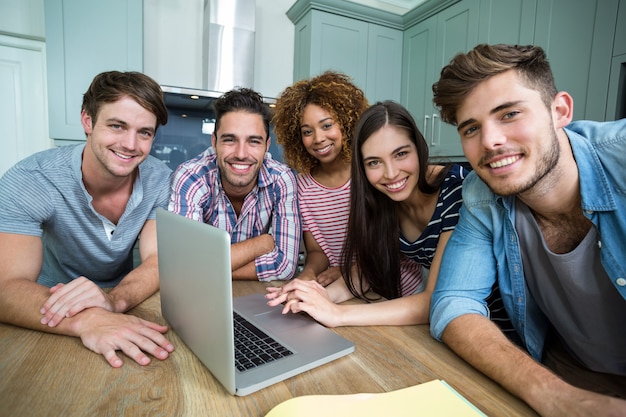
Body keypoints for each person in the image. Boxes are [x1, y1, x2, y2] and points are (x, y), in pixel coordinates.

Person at [430, 43, 626, 416]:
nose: (490, 141)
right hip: (569, 373)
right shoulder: (480, 192)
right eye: (471, 128)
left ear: (559, 111)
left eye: (509, 114)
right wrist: (551, 393)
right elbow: (454, 302)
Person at [0, 71, 175, 368]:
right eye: (117, 126)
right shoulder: (31, 180)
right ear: (87, 121)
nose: (131, 144)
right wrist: (88, 319)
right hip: (47, 307)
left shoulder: (161, 180)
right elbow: (6, 287)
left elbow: (158, 261)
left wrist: (113, 302)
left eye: (144, 132)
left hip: (126, 302)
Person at [266, 101, 466, 326]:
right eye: (374, 162)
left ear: (418, 147)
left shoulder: (455, 188)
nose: (390, 174)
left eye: (400, 154)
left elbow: (434, 301)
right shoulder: (383, 196)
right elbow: (368, 269)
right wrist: (315, 298)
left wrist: (337, 314)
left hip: (488, 325)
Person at [169, 87, 301, 281]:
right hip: (203, 297)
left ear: (267, 146)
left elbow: (285, 265)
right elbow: (183, 265)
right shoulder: (191, 177)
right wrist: (261, 244)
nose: (241, 153)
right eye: (230, 140)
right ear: (214, 142)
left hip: (257, 299)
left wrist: (205, 269)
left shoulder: (282, 179)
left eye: (254, 141)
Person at [270, 71, 369, 286]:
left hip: (388, 288)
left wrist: (346, 270)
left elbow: (385, 246)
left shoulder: (369, 172)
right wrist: (308, 274)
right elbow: (316, 251)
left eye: (327, 125)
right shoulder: (303, 187)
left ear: (346, 123)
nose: (318, 138)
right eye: (307, 132)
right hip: (342, 290)